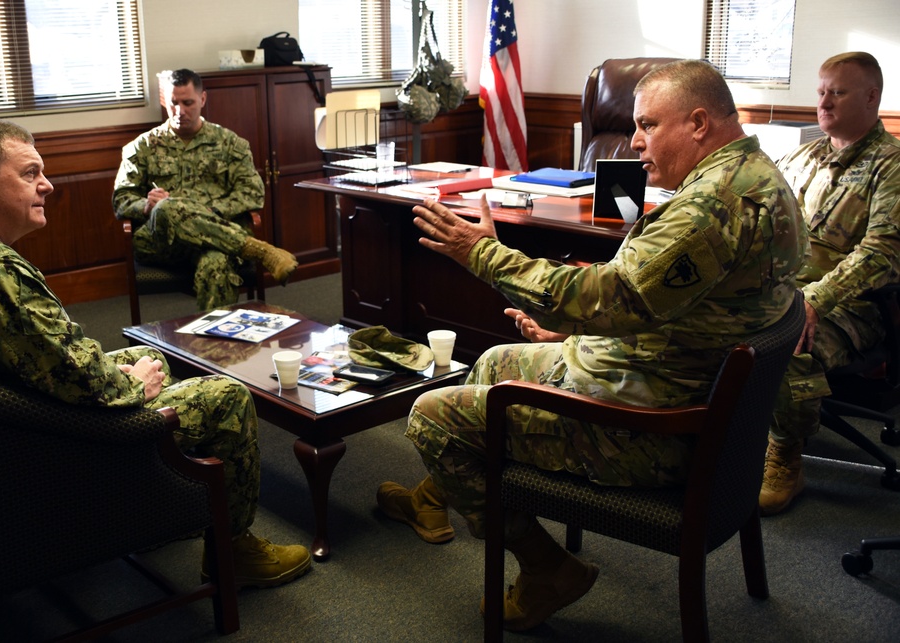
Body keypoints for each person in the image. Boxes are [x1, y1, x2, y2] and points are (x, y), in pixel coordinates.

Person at [376, 59, 806, 631]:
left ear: (698, 122)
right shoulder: (753, 176)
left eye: (648, 125)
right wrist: (576, 330)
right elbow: (666, 305)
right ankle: (436, 497)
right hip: (669, 379)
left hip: (652, 425)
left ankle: (546, 567)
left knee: (430, 416)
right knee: (492, 361)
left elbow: (616, 293)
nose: (634, 142)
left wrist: (481, 253)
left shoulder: (715, 205)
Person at [0, 119, 311, 589]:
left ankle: (159, 507)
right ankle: (232, 553)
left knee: (146, 352)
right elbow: (85, 381)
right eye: (31, 173)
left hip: (1, 424)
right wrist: (135, 383)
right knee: (227, 395)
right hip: (49, 446)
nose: (47, 184)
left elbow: (42, 356)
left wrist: (125, 367)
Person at [759, 51, 900, 516]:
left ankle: (785, 457)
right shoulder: (804, 154)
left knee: (784, 337)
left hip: (856, 306)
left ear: (871, 97)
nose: (824, 102)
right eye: (821, 91)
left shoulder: (890, 166)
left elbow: (882, 253)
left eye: (836, 92)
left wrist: (814, 298)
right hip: (781, 291)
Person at [112, 68, 297, 310]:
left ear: (202, 99)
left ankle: (214, 345)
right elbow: (121, 199)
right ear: (164, 102)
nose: (180, 111)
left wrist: (206, 212)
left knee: (217, 263)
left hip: (218, 241)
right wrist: (146, 205)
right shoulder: (142, 146)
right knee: (167, 208)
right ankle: (261, 252)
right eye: (173, 103)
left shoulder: (230, 143)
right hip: (163, 243)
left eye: (187, 103)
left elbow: (252, 192)